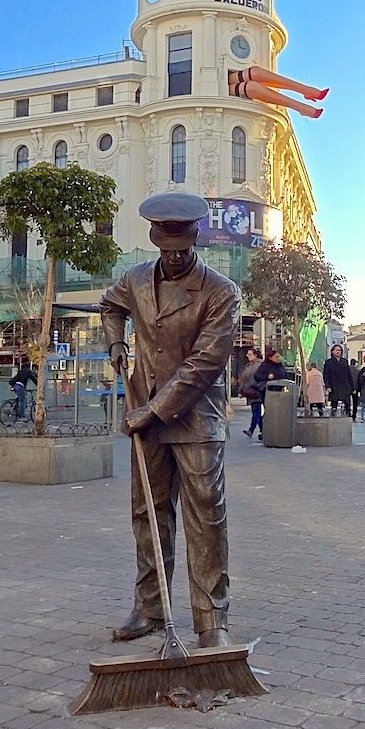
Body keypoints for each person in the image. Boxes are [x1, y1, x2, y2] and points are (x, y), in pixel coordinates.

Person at [100, 192, 240, 649]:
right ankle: (151, 608)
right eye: (167, 249)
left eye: (183, 249)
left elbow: (205, 364)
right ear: (155, 240)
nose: (176, 258)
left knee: (206, 517)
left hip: (197, 419)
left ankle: (210, 618)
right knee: (148, 514)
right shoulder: (135, 280)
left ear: (195, 239)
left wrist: (152, 409)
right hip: (147, 421)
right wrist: (116, 345)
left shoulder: (221, 291)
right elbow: (110, 306)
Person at [253, 347, 287, 441]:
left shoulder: (280, 366)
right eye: (276, 357)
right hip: (268, 393)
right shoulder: (265, 366)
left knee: (279, 412)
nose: (278, 358)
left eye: (278, 356)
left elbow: (286, 376)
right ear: (271, 358)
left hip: (281, 393)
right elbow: (257, 376)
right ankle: (265, 431)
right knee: (269, 412)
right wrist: (267, 376)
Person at [323, 344, 354, 419]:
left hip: (344, 385)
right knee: (334, 402)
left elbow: (348, 374)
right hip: (334, 385)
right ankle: (333, 414)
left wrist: (351, 386)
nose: (338, 352)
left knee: (347, 402)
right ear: (333, 351)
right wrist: (328, 386)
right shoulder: (328, 362)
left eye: (339, 350)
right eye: (336, 350)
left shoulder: (344, 361)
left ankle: (348, 414)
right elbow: (326, 375)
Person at [238, 346, 263, 439]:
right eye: (248, 354)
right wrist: (241, 390)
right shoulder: (247, 366)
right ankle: (263, 430)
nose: (248, 356)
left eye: (250, 354)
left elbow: (259, 378)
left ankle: (251, 430)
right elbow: (243, 380)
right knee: (257, 412)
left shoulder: (260, 365)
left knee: (256, 411)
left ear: (255, 355)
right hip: (249, 391)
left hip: (257, 390)